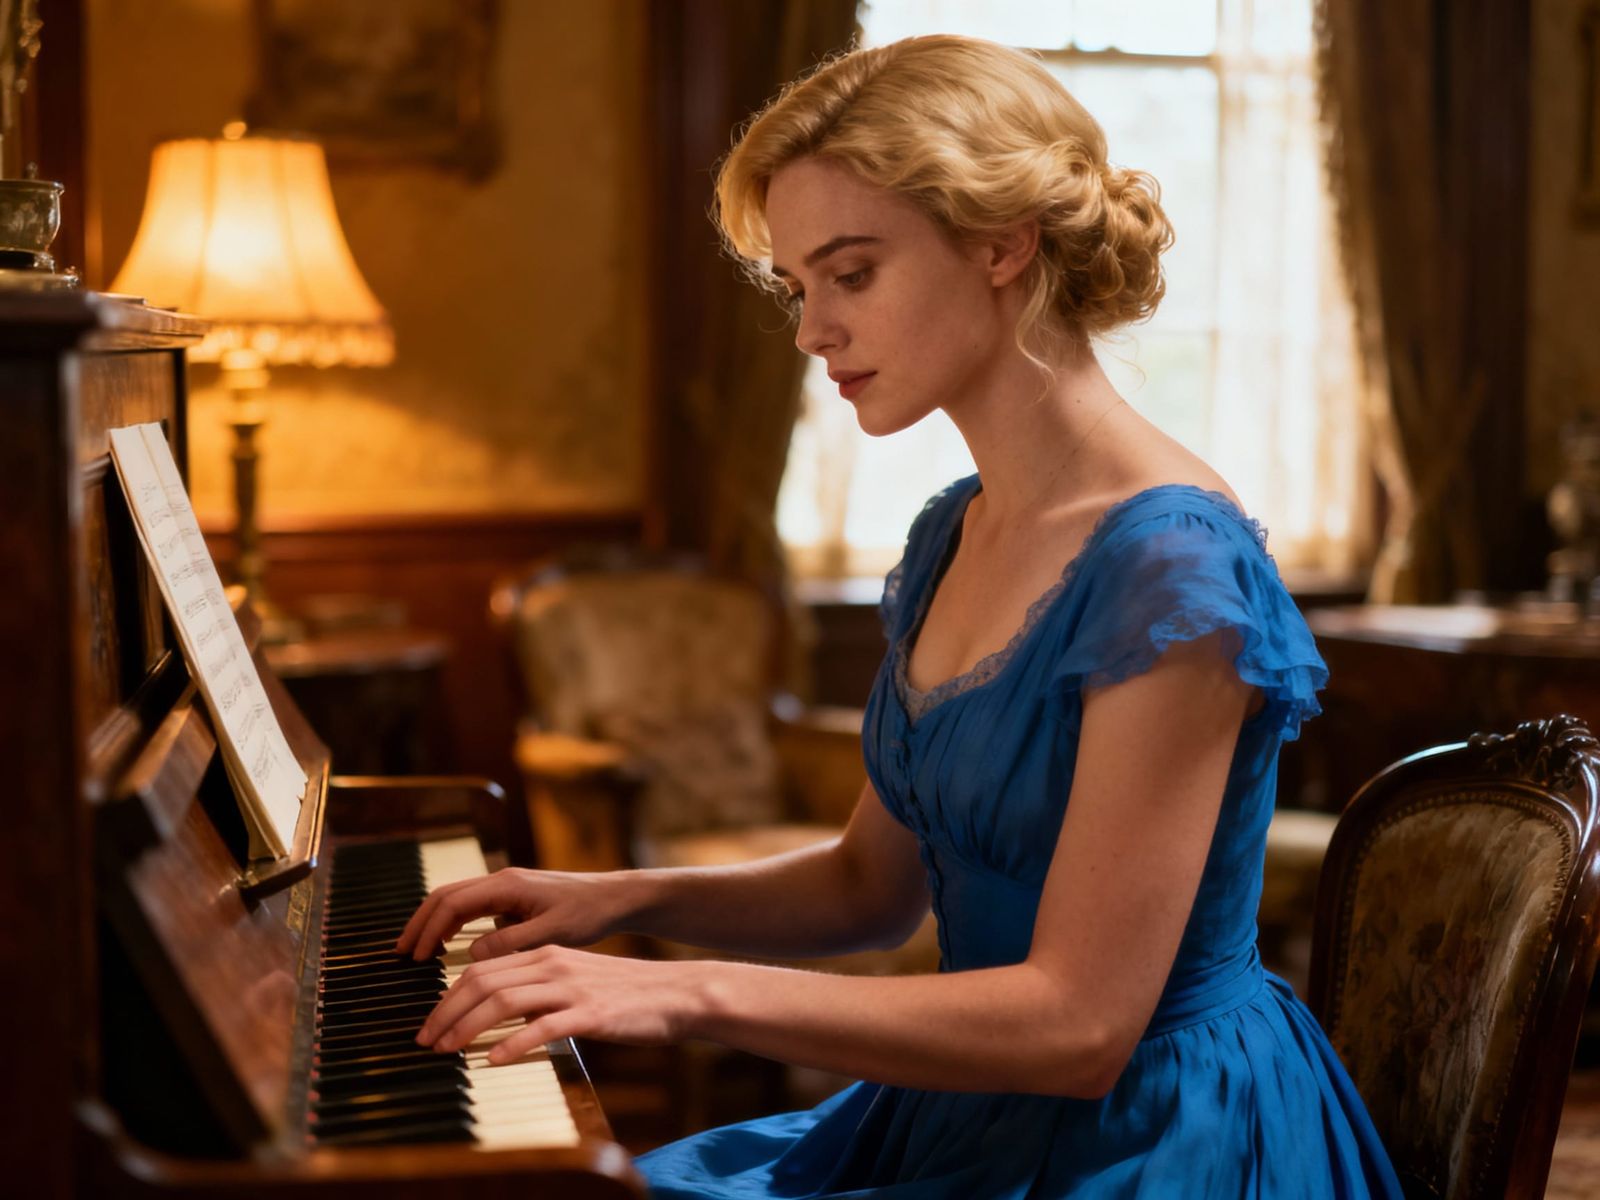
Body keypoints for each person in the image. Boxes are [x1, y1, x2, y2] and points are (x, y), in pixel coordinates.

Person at [396, 34, 1403, 1198]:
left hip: (1152, 1135)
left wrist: (680, 991)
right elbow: (866, 890)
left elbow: (1081, 1027)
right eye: (798, 287)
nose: (809, 331)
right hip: (967, 1102)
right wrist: (620, 900)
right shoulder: (952, 533)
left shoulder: (1174, 567)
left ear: (1002, 243)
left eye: (852, 274)